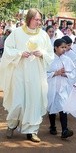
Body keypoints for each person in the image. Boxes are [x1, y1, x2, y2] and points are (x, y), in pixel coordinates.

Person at [0, 8, 54, 142]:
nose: (39, 22)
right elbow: (7, 51)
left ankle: (32, 130)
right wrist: (19, 53)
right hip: (20, 72)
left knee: (34, 100)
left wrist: (42, 54)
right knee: (18, 100)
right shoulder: (17, 33)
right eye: (36, 19)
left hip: (36, 74)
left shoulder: (43, 35)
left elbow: (50, 54)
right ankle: (12, 125)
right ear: (29, 19)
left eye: (40, 19)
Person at [47, 39, 75, 138]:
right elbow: (43, 73)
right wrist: (55, 73)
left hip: (62, 88)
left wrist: (65, 74)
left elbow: (73, 73)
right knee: (51, 106)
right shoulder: (49, 59)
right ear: (55, 48)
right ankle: (53, 126)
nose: (64, 49)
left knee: (63, 107)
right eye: (62, 47)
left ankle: (64, 130)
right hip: (51, 87)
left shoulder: (67, 60)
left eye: (65, 47)